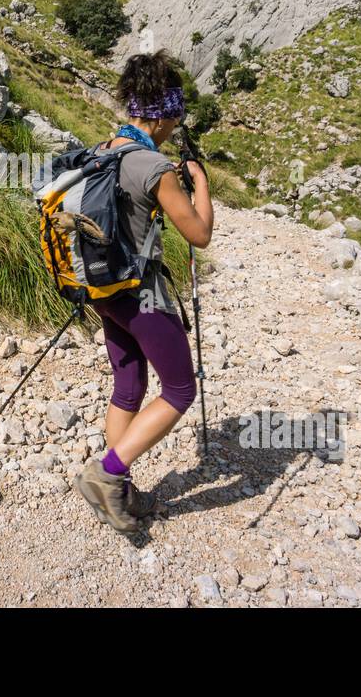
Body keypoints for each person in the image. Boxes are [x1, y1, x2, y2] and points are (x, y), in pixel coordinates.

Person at [73, 51, 214, 533]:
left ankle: (121, 490)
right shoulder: (156, 167)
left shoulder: (106, 150)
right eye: (176, 117)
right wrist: (201, 186)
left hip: (101, 288)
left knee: (129, 384)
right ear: (165, 114)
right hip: (141, 293)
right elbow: (198, 235)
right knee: (178, 388)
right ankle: (107, 474)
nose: (177, 127)